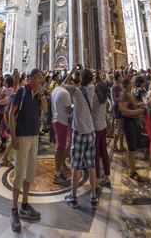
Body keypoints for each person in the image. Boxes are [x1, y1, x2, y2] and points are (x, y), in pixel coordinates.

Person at [9, 68, 47, 233]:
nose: (40, 81)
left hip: (34, 136)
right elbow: (11, 113)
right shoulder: (22, 91)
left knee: (31, 171)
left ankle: (25, 204)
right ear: (30, 78)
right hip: (22, 135)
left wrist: (42, 94)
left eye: (41, 79)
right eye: (38, 78)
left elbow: (45, 109)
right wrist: (13, 136)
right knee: (19, 172)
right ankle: (14, 210)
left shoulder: (38, 94)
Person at [64, 67, 98, 210]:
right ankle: (93, 197)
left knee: (76, 165)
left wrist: (72, 70)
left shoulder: (76, 91)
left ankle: (73, 196)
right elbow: (94, 79)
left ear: (79, 79)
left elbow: (63, 84)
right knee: (91, 165)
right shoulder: (92, 89)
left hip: (78, 131)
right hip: (90, 130)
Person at [120, 77, 145, 181]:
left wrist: (139, 104)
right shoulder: (124, 94)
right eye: (131, 83)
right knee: (131, 147)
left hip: (132, 122)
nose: (132, 84)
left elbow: (131, 106)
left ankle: (132, 167)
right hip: (128, 122)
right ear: (127, 85)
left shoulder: (129, 94)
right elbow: (124, 111)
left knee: (133, 147)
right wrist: (138, 111)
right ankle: (133, 172)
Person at [51, 80, 72, 186]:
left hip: (55, 119)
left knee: (61, 147)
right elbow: (69, 110)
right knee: (59, 149)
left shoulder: (56, 90)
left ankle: (59, 170)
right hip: (61, 121)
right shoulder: (66, 93)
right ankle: (57, 175)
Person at [92, 80, 111, 191]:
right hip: (103, 126)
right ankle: (107, 175)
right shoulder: (105, 98)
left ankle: (98, 178)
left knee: (96, 154)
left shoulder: (95, 97)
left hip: (95, 127)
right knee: (104, 152)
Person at [111, 71, 125, 153]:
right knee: (118, 129)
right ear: (118, 77)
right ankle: (114, 145)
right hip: (118, 110)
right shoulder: (115, 86)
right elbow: (115, 99)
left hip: (120, 109)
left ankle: (121, 145)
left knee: (121, 129)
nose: (122, 77)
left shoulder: (118, 85)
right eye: (121, 76)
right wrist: (122, 97)